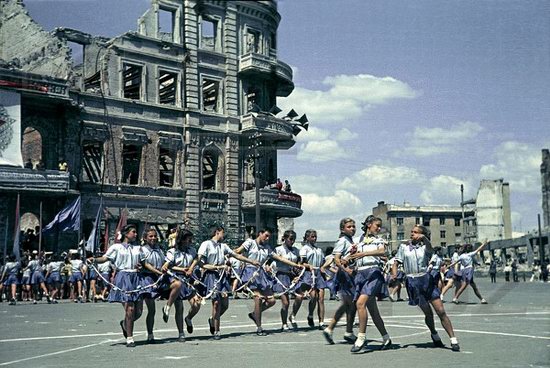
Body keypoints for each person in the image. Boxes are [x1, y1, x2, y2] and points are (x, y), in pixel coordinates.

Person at [392, 225, 460, 352]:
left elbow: (430, 248)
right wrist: (394, 274)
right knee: (428, 313)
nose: (412, 234)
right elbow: (396, 262)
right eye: (412, 232)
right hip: (413, 282)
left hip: (426, 280)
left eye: (416, 232)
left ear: (422, 235)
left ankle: (453, 339)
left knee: (441, 311)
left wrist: (424, 238)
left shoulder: (425, 247)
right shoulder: (403, 247)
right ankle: (434, 333)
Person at [235, 228, 303, 336]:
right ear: (260, 233)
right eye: (265, 235)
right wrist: (236, 259)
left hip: (261, 273)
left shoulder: (267, 248)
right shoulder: (250, 243)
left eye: (269, 237)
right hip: (250, 271)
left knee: (271, 300)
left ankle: (255, 314)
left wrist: (294, 265)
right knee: (258, 298)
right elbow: (237, 252)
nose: (267, 238)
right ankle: (259, 327)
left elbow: (279, 258)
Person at [197, 225, 259, 340]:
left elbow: (236, 255)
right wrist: (214, 267)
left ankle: (212, 320)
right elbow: (200, 262)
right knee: (216, 303)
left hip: (222, 276)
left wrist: (251, 261)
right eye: (222, 233)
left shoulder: (223, 246)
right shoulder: (206, 244)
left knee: (225, 304)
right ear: (217, 232)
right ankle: (217, 330)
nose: (223, 235)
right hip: (211, 275)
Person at [89, 224, 143, 347]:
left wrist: (140, 266)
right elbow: (104, 258)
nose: (135, 234)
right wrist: (94, 260)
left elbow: (142, 262)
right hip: (124, 277)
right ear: (126, 233)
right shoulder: (116, 247)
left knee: (139, 312)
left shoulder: (137, 248)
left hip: (136, 277)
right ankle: (130, 337)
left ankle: (124, 324)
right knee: (130, 308)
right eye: (133, 232)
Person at [346, 215, 392, 353]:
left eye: (379, 226)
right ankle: (386, 338)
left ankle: (361, 338)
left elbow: (382, 251)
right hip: (360, 274)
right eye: (377, 225)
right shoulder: (357, 241)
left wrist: (363, 254)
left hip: (374, 273)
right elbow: (351, 259)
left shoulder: (379, 240)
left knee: (360, 303)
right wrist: (350, 257)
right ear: (368, 224)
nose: (379, 228)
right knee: (373, 311)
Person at [160, 229, 202, 342]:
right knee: (179, 307)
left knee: (197, 303)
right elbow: (168, 265)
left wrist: (192, 267)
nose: (191, 241)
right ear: (182, 240)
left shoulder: (192, 250)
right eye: (189, 239)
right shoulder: (172, 252)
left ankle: (188, 318)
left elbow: (197, 259)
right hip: (176, 278)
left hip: (188, 279)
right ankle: (181, 333)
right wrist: (181, 269)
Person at [322, 218, 358, 345]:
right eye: (349, 227)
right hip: (345, 275)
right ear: (343, 229)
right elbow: (336, 259)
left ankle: (346, 331)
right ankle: (334, 328)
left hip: (350, 274)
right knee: (351, 303)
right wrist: (346, 269)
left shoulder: (350, 240)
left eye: (354, 226)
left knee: (348, 304)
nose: (352, 229)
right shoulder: (342, 241)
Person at [273, 230, 304, 331]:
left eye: (294, 239)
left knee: (300, 296)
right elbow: (277, 260)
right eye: (290, 239)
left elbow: (299, 262)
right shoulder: (279, 249)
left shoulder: (296, 250)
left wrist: (297, 272)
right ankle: (284, 323)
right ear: (285, 238)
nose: (292, 241)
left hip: (292, 275)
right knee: (285, 302)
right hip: (282, 275)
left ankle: (293, 315)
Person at [138, 228, 166, 344]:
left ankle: (150, 334)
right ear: (145, 238)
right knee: (140, 311)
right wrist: (157, 271)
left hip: (158, 278)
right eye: (150, 236)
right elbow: (146, 264)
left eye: (155, 236)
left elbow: (164, 262)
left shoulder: (159, 250)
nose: (153, 238)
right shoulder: (142, 250)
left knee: (152, 310)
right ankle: (125, 323)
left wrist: (163, 268)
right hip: (146, 279)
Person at [298, 229, 327, 330]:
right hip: (309, 273)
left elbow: (323, 263)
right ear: (307, 238)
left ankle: (321, 322)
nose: (314, 238)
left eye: (315, 236)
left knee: (321, 298)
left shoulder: (319, 250)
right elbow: (301, 263)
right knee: (313, 296)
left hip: (319, 273)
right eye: (312, 236)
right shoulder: (304, 249)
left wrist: (326, 270)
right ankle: (310, 315)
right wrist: (308, 266)